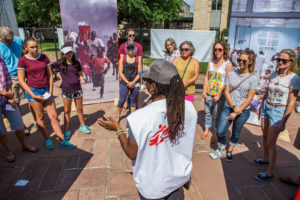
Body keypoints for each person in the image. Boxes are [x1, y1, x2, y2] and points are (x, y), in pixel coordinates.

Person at [98, 59, 197, 199]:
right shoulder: (189, 108)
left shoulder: (139, 118)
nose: (144, 83)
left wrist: (117, 129)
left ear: (153, 87)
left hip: (153, 187)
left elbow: (131, 153)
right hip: (178, 178)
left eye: (146, 81)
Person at [17, 37, 76, 150]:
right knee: (40, 117)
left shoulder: (44, 57)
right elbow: (21, 80)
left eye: (36, 46)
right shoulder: (23, 60)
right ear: (26, 48)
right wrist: (32, 95)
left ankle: (62, 140)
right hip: (33, 91)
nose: (35, 49)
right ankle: (47, 139)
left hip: (46, 91)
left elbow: (50, 75)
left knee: (54, 115)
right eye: (32, 47)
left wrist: (50, 91)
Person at [252, 49, 300, 181]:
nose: (280, 62)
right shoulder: (274, 74)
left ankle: (269, 172)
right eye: (279, 59)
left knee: (271, 142)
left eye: (284, 60)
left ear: (291, 61)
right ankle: (266, 159)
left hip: (278, 111)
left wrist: (284, 121)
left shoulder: (294, 79)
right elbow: (267, 92)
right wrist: (261, 107)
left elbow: (291, 103)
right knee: (265, 136)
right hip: (267, 107)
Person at [209, 50, 258, 161]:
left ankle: (230, 149)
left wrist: (238, 110)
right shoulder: (231, 74)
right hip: (228, 107)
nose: (240, 62)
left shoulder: (253, 78)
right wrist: (233, 107)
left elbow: (250, 98)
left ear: (250, 62)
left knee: (236, 132)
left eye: (244, 61)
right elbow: (226, 91)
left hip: (243, 111)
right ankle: (221, 149)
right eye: (239, 59)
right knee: (220, 130)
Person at [0, 56, 38, 162]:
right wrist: (5, 93)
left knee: (19, 123)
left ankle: (24, 145)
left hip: (7, 98)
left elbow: (7, 77)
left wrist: (10, 95)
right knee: (1, 130)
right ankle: (9, 151)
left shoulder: (1, 58)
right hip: (4, 94)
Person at [51, 46, 90, 140]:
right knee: (67, 111)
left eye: (70, 52)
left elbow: (80, 73)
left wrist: (82, 78)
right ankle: (66, 130)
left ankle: (82, 125)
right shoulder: (59, 63)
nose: (69, 54)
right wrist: (54, 75)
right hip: (66, 91)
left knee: (80, 109)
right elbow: (49, 67)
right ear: (63, 54)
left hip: (77, 90)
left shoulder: (76, 63)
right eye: (67, 53)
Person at [0, 27, 31, 135]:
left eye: (12, 39)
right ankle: (23, 125)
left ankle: (38, 119)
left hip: (24, 73)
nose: (11, 42)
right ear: (1, 39)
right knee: (16, 102)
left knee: (31, 96)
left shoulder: (18, 40)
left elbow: (25, 51)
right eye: (8, 41)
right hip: (11, 78)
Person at [202, 42, 233, 142]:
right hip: (209, 93)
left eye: (220, 49)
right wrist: (204, 90)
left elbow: (227, 82)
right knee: (208, 112)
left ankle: (215, 133)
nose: (217, 51)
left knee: (217, 115)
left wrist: (219, 95)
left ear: (224, 50)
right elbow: (207, 77)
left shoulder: (227, 64)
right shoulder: (210, 62)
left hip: (219, 95)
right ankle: (206, 129)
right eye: (215, 49)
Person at [117, 44, 140, 120]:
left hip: (135, 83)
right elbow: (120, 73)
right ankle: (118, 116)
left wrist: (133, 82)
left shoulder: (137, 59)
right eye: (129, 48)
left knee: (133, 101)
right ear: (126, 49)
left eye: (132, 48)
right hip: (124, 83)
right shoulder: (122, 59)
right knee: (122, 100)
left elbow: (140, 73)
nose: (130, 49)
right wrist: (128, 83)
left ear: (134, 49)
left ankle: (132, 119)